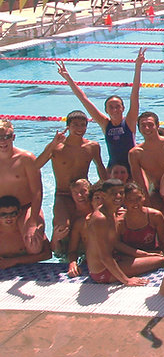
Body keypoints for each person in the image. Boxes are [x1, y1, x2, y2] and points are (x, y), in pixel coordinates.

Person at [55, 49, 144, 173]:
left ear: (123, 108)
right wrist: (68, 78)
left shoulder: (129, 121)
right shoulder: (105, 123)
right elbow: (84, 99)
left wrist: (138, 67)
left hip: (133, 170)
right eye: (111, 107)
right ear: (106, 110)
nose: (115, 110)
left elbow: (135, 94)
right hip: (112, 169)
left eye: (117, 106)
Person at [35, 110, 106, 246]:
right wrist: (51, 145)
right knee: (62, 227)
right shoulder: (56, 147)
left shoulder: (92, 146)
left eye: (82, 125)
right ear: (67, 126)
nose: (79, 129)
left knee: (93, 224)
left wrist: (105, 192)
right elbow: (36, 165)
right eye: (75, 125)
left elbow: (101, 169)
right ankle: (60, 253)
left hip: (84, 195)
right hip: (63, 194)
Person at [82, 180, 150, 285]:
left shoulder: (111, 212)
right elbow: (104, 257)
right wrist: (126, 280)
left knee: (155, 256)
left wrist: (142, 254)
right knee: (161, 261)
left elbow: (114, 243)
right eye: (114, 193)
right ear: (103, 195)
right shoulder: (100, 219)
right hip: (102, 272)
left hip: (113, 260)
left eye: (121, 193)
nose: (118, 196)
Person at [0, 119, 45, 256]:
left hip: (25, 207)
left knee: (34, 246)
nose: (2, 142)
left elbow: (37, 192)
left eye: (6, 137)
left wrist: (32, 222)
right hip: (2, 210)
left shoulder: (26, 159)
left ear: (13, 137)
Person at [128, 111, 164, 212]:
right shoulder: (136, 153)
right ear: (139, 128)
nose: (147, 128)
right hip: (157, 191)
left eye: (150, 125)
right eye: (143, 125)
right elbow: (140, 183)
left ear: (157, 125)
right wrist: (147, 204)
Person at [0, 194, 52, 270]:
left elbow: (47, 254)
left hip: (29, 270)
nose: (9, 218)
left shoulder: (26, 231)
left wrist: (14, 261)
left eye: (13, 214)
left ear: (19, 212)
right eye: (3, 214)